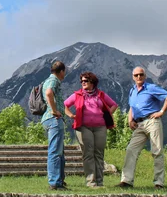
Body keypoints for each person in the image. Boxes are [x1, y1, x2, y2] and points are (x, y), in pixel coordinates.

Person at [117, 67, 167, 190]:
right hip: (139, 124)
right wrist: (130, 120)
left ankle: (159, 183)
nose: (139, 77)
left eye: (141, 75)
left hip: (152, 121)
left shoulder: (151, 88)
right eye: (136, 75)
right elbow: (131, 107)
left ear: (145, 76)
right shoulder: (132, 91)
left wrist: (161, 112)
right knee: (131, 150)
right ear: (133, 77)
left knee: (157, 151)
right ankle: (126, 181)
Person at [64, 71, 118, 188]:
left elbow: (114, 105)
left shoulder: (101, 95)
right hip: (83, 127)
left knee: (99, 154)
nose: (83, 83)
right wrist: (71, 116)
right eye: (82, 81)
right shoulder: (77, 95)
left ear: (92, 82)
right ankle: (91, 182)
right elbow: (65, 105)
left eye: (85, 81)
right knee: (88, 154)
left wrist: (108, 114)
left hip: (100, 127)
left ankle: (100, 182)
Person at [42, 61, 67, 191]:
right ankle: (55, 183)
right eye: (65, 71)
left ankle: (60, 180)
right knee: (55, 152)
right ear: (61, 71)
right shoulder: (54, 80)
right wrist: (54, 110)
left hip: (49, 120)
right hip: (53, 119)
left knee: (60, 152)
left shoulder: (47, 80)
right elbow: (49, 93)